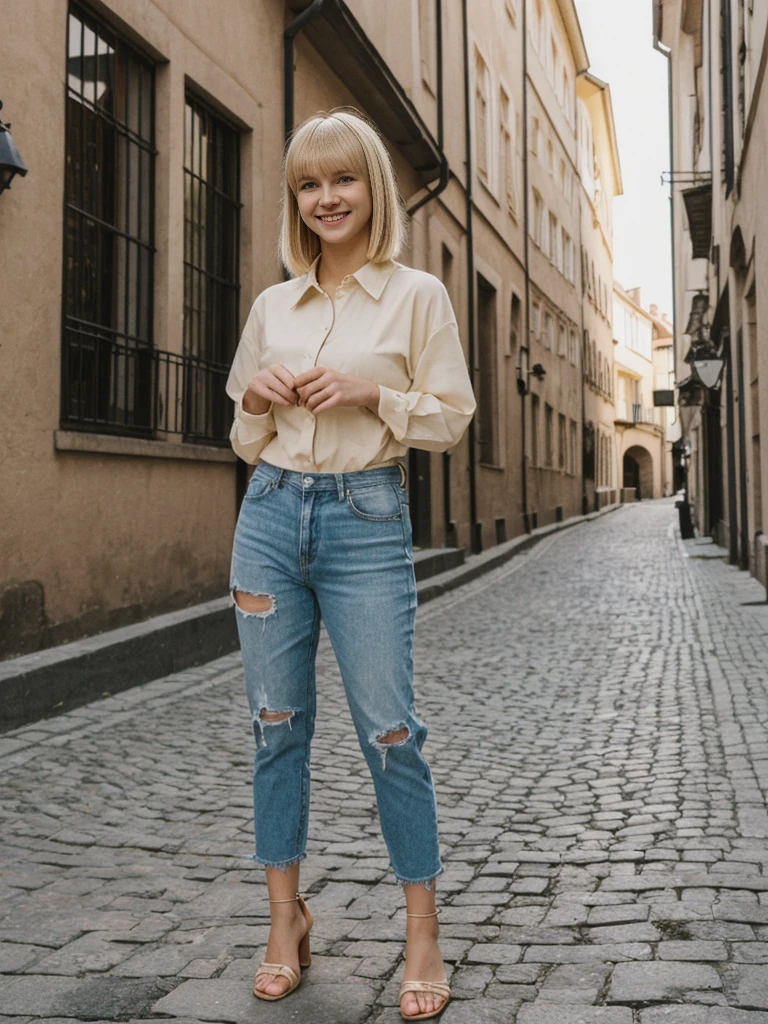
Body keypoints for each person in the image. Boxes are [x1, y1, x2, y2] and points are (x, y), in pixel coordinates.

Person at [225, 106, 475, 1021]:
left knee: (390, 733)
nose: (327, 198)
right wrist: (254, 394)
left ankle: (422, 933)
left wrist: (375, 392)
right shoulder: (271, 307)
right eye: (308, 184)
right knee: (276, 727)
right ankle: (284, 923)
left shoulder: (417, 297)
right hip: (268, 516)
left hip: (366, 519)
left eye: (343, 179)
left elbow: (452, 416)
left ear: (372, 186)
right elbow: (246, 436)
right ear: (295, 200)